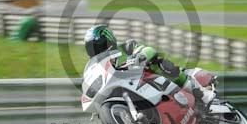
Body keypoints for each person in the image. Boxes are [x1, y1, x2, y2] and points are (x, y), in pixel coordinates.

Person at [83, 24, 215, 109]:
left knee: (159, 63)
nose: (96, 50)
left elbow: (148, 50)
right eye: (92, 48)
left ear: (108, 41)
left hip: (148, 78)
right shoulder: (99, 67)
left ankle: (201, 94)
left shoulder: (125, 48)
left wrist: (141, 56)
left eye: (98, 46)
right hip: (133, 90)